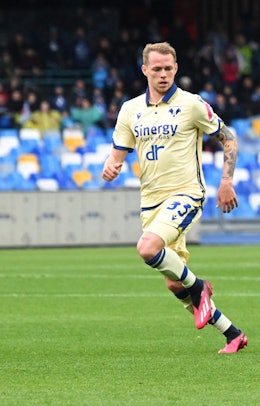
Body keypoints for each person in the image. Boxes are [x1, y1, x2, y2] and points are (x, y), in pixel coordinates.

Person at [102, 42, 247, 354]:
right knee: (174, 282)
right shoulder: (130, 110)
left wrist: (226, 181)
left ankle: (200, 287)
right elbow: (117, 154)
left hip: (186, 194)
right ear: (145, 71)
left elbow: (228, 137)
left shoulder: (192, 104)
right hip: (150, 202)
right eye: (157, 69)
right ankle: (233, 334)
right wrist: (111, 166)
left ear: (176, 68)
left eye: (168, 68)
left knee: (147, 248)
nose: (163, 74)